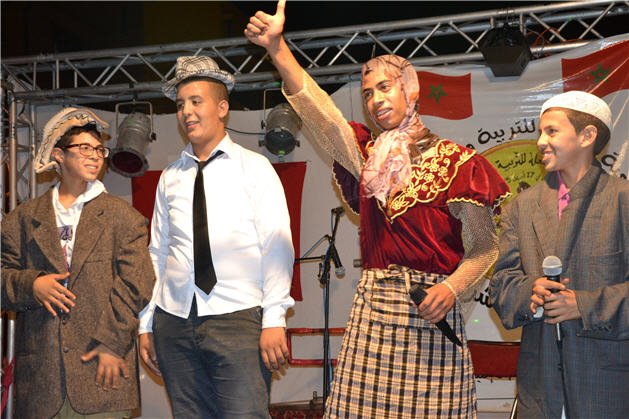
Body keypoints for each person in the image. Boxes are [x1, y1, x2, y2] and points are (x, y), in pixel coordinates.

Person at [245, 2, 511, 417]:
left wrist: (450, 289)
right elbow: (323, 116)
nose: (375, 100)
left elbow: (484, 249)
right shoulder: (366, 158)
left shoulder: (460, 164)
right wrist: (278, 50)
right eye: (367, 93)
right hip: (373, 312)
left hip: (431, 313)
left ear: (412, 90)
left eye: (385, 87)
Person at [137, 55, 295, 418]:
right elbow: (156, 252)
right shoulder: (170, 177)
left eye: (196, 101)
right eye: (180, 104)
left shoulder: (255, 168)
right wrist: (147, 322)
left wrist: (274, 318)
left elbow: (276, 245)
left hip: (237, 317)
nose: (186, 112)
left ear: (222, 108)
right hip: (174, 320)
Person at [1, 108, 155, 419]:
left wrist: (111, 342)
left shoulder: (123, 217)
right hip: (42, 381)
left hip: (103, 372)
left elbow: (137, 283)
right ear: (58, 155)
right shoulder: (23, 218)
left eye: (99, 149)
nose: (95, 156)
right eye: (84, 148)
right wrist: (32, 285)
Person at [490, 91, 628, 419]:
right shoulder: (522, 207)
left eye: (551, 131)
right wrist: (530, 292)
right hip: (540, 387)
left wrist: (584, 305)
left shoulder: (622, 201)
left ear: (587, 136)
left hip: (608, 385)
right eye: (540, 132)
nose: (540, 142)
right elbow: (501, 285)